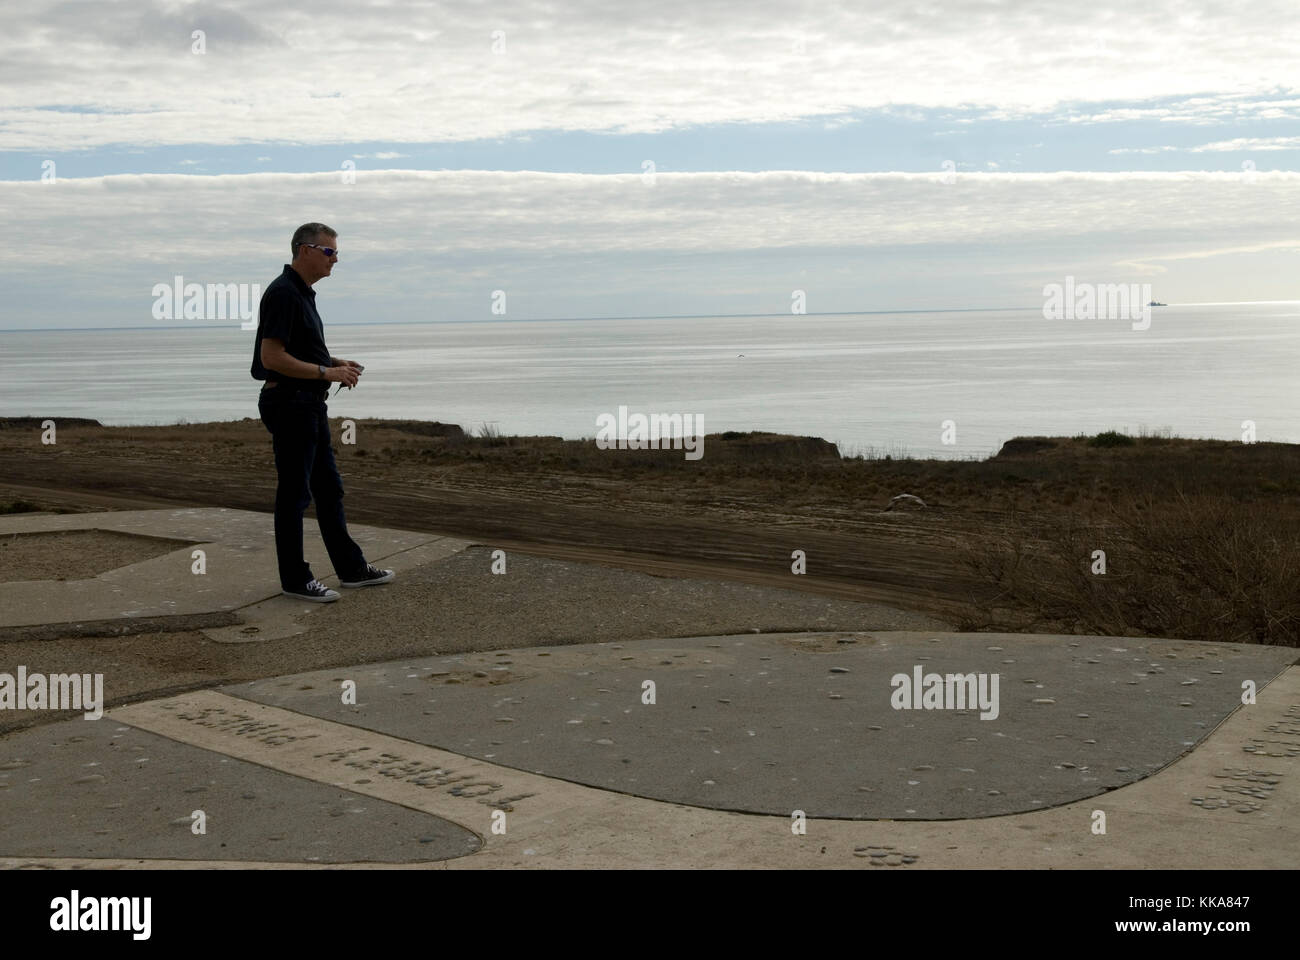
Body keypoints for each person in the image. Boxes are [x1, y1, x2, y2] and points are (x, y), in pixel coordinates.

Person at [251, 222, 394, 602]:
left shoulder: (302, 293)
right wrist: (326, 372)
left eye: (336, 252)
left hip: (308, 403)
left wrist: (333, 362)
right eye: (329, 251)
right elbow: (272, 357)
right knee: (295, 495)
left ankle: (352, 569)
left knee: (328, 490)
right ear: (304, 250)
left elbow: (295, 350)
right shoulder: (283, 294)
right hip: (291, 404)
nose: (335, 259)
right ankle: (295, 580)